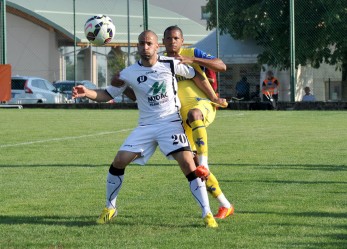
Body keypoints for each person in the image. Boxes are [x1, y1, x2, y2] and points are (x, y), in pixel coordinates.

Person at [72, 30, 218, 228]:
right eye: (141, 43)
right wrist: (86, 92)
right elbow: (107, 94)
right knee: (119, 161)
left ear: (157, 46)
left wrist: (213, 98)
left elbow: (196, 75)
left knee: (188, 164)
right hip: (146, 126)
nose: (145, 47)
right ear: (137, 47)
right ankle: (110, 208)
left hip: (170, 123)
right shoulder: (128, 73)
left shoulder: (170, 64)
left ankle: (207, 213)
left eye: (149, 43)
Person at [162, 25, 234, 219]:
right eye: (168, 38)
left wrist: (192, 59)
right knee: (192, 166)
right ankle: (225, 204)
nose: (172, 41)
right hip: (178, 116)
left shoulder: (192, 52)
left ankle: (205, 163)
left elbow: (221, 65)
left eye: (176, 38)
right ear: (163, 42)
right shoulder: (159, 61)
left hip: (201, 105)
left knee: (195, 114)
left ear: (182, 40)